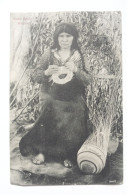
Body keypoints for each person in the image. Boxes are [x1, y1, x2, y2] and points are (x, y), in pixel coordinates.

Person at [19, 22, 92, 168]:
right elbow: (35, 75)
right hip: (51, 93)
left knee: (78, 111)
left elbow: (88, 79)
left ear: (74, 38)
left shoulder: (79, 54)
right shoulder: (49, 53)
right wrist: (46, 72)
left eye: (68, 36)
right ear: (57, 38)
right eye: (61, 36)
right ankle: (42, 152)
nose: (64, 40)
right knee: (49, 110)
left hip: (73, 95)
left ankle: (66, 154)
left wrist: (76, 70)